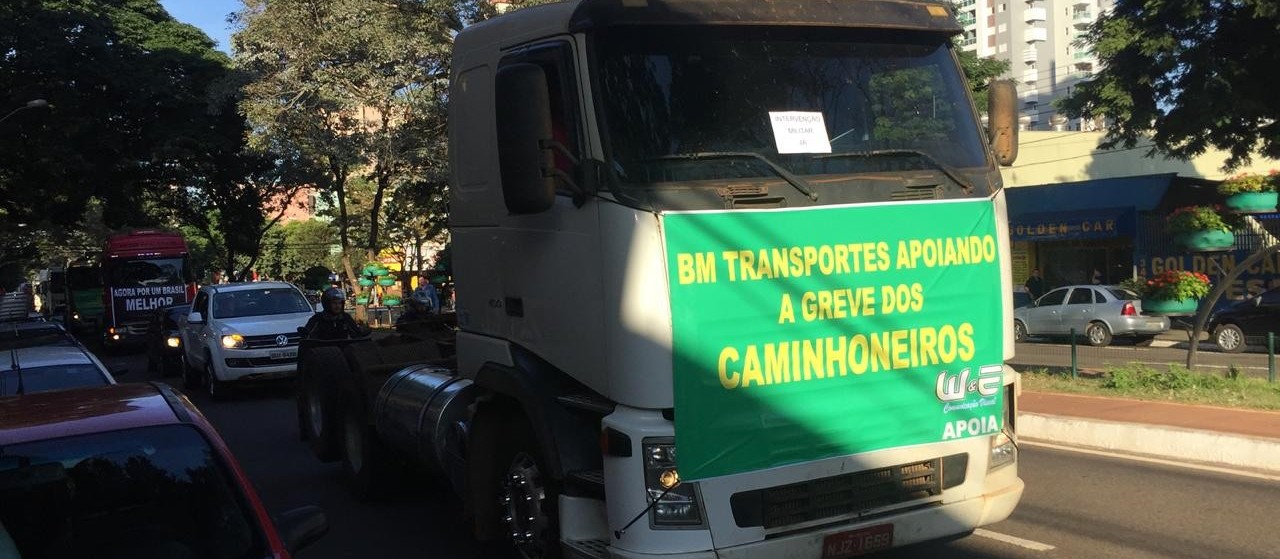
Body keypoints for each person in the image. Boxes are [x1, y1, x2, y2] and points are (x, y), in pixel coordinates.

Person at [302, 287, 368, 340]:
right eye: (334, 303)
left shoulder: (345, 317)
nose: (337, 306)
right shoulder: (318, 318)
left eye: (339, 303)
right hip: (322, 352)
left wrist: (363, 331)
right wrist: (304, 332)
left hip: (343, 351)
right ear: (327, 304)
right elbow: (307, 336)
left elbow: (356, 334)